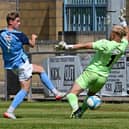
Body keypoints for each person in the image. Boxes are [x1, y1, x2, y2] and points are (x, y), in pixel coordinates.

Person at [56, 11, 129, 118]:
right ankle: (80, 113)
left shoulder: (106, 44)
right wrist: (124, 22)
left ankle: (76, 109)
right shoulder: (123, 46)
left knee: (72, 93)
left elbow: (86, 45)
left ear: (113, 34)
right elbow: (127, 35)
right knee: (90, 95)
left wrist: (68, 47)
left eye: (111, 32)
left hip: (91, 72)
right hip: (103, 77)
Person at [0, 12, 65, 119]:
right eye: (17, 21)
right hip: (21, 64)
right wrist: (34, 37)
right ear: (11, 22)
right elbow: (32, 44)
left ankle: (56, 92)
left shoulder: (1, 33)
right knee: (25, 89)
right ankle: (10, 111)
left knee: (39, 69)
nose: (19, 23)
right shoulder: (19, 35)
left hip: (12, 66)